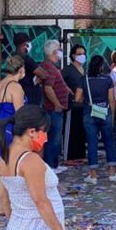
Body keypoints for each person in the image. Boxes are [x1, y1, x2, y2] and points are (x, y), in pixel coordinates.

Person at [75, 54, 116, 184]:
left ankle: (93, 175)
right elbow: (112, 100)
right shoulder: (107, 80)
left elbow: (77, 98)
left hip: (89, 113)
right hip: (105, 112)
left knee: (92, 143)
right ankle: (112, 173)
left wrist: (87, 100)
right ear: (102, 66)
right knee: (109, 142)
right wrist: (111, 115)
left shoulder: (83, 79)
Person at [0, 55, 27, 216]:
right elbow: (20, 114)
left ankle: (0, 204)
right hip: (10, 128)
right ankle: (7, 203)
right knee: (11, 165)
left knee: (1, 164)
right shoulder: (15, 87)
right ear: (20, 70)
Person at [40, 40, 71, 173]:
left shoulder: (52, 66)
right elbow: (48, 88)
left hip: (56, 108)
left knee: (56, 137)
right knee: (54, 138)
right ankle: (50, 166)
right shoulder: (49, 67)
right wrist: (57, 103)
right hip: (52, 109)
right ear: (53, 52)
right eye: (59, 49)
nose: (61, 52)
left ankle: (54, 164)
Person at [61, 44, 87, 163]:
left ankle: (79, 155)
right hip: (72, 105)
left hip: (83, 105)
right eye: (79, 54)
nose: (82, 56)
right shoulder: (68, 69)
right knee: (71, 131)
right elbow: (59, 81)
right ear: (73, 55)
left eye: (83, 53)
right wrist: (68, 91)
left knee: (80, 131)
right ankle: (69, 157)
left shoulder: (83, 69)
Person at [12, 33, 47, 107]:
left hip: (19, 95)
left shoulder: (13, 57)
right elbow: (43, 75)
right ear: (26, 44)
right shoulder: (26, 59)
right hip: (30, 97)